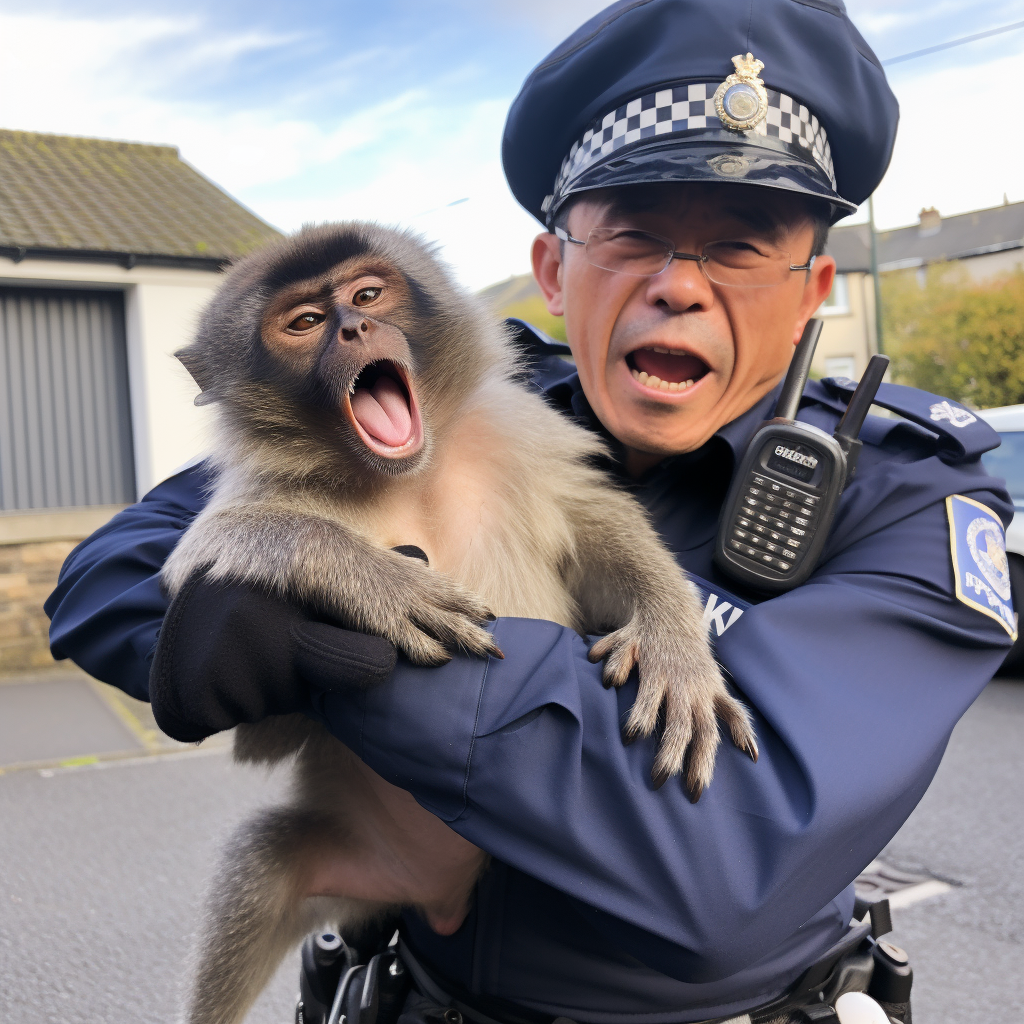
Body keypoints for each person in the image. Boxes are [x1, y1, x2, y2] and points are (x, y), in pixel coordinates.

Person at [46, 1, 1014, 1022]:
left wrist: (344, 658)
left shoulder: (910, 494)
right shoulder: (454, 400)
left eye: (734, 247)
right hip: (410, 983)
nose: (677, 286)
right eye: (633, 239)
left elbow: (729, 862)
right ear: (554, 273)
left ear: (813, 286)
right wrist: (255, 589)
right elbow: (119, 568)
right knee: (256, 858)